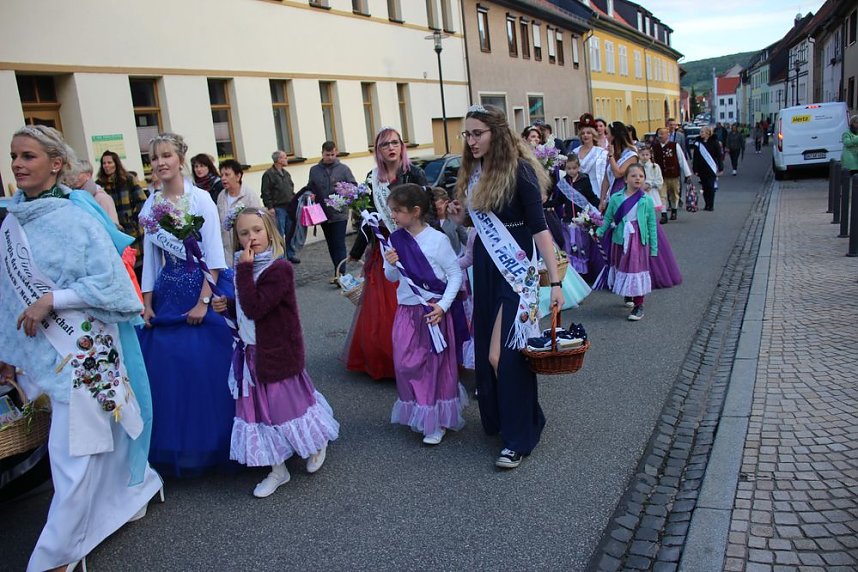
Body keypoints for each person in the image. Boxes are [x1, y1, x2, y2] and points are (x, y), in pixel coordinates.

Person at [1, 125, 162, 572]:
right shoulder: (12, 221)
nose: (17, 164)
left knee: (74, 450)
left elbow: (110, 284)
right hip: (41, 349)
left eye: (28, 156)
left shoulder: (76, 217)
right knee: (103, 432)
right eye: (14, 155)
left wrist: (55, 299)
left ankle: (56, 555)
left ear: (56, 164)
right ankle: (139, 488)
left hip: (83, 346)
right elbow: (9, 294)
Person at [448, 104, 564, 469]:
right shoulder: (474, 173)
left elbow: (540, 227)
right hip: (485, 266)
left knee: (506, 354)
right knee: (488, 351)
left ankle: (520, 438)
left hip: (516, 268)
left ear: (496, 133)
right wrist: (458, 218)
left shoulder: (520, 172)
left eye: (477, 133)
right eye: (467, 134)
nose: (471, 141)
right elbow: (479, 222)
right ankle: (515, 419)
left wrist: (555, 282)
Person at [213, 208, 338, 497]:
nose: (251, 237)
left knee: (288, 408)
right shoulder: (243, 267)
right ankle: (277, 468)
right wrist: (228, 306)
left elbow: (257, 305)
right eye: (244, 233)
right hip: (251, 354)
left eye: (257, 230)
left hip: (277, 353)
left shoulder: (278, 269)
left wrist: (243, 271)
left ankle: (316, 442)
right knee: (260, 415)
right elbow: (248, 310)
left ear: (269, 232)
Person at [137, 133, 236, 477]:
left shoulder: (201, 200)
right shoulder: (149, 206)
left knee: (202, 367)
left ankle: (216, 442)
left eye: (167, 155)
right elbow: (151, 260)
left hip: (200, 288)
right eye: (154, 158)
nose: (161, 163)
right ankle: (176, 446)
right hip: (168, 291)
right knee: (168, 371)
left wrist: (203, 302)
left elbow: (214, 255)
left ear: (181, 159)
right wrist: (146, 302)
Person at [382, 184, 466, 445]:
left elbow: (455, 275)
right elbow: (391, 277)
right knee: (405, 363)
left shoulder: (437, 240)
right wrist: (392, 263)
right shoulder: (395, 240)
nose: (393, 216)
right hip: (406, 311)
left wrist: (443, 306)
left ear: (415, 211)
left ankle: (435, 421)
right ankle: (420, 408)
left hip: (432, 312)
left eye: (397, 211)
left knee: (432, 366)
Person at [345, 127, 428, 381]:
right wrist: (357, 251)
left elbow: (425, 213)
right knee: (382, 309)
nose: (391, 148)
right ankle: (387, 358)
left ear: (402, 146)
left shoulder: (413, 173)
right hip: (385, 250)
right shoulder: (373, 179)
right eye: (385, 144)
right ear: (378, 150)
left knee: (411, 303)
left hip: (412, 244)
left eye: (395, 143)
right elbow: (370, 220)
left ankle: (416, 355)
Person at [596, 163, 657, 321]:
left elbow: (651, 225)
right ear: (625, 179)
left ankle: (639, 304)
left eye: (641, 176)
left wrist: (654, 248)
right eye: (634, 176)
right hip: (620, 238)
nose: (638, 179)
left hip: (638, 239)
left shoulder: (646, 200)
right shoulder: (616, 198)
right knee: (623, 267)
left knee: (636, 269)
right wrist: (599, 232)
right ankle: (629, 295)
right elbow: (608, 218)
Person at [306, 141, 357, 281]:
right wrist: (310, 194)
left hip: (340, 212)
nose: (330, 157)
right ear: (322, 153)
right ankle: (337, 271)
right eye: (327, 155)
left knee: (339, 243)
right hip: (322, 212)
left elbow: (353, 186)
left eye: (332, 154)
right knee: (331, 244)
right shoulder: (314, 170)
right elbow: (310, 186)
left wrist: (343, 191)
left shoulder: (344, 169)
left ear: (336, 152)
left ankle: (341, 274)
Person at [96, 150, 148, 271]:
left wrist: (134, 220)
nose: (106, 165)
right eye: (104, 163)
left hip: (132, 228)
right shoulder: (99, 185)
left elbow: (141, 201)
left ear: (116, 163)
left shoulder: (128, 180)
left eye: (109, 162)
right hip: (113, 229)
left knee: (139, 265)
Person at [216, 159, 263, 266]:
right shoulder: (221, 196)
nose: (223, 178)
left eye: (227, 175)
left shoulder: (249, 196)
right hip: (227, 250)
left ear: (238, 176)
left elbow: (258, 222)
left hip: (245, 249)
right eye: (221, 175)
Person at [260, 150, 300, 263]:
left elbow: (290, 189)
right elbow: (265, 192)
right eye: (284, 157)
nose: (286, 159)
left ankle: (291, 254)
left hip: (289, 206)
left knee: (290, 232)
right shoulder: (269, 174)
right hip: (278, 208)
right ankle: (280, 256)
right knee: (279, 233)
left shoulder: (286, 173)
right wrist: (270, 206)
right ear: (278, 160)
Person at [651, 127, 692, 223]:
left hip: (673, 174)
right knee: (662, 195)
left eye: (662, 134)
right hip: (661, 176)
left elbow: (681, 160)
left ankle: (674, 210)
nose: (660, 136)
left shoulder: (674, 145)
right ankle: (664, 214)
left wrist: (687, 174)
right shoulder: (655, 147)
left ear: (667, 135)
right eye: (659, 134)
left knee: (674, 194)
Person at [66, 158, 119, 224]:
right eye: (72, 174)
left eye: (77, 174)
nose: (73, 177)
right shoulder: (75, 197)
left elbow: (113, 226)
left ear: (88, 175)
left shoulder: (102, 198)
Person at [571, 125, 609, 202]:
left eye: (588, 133)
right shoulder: (575, 152)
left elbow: (605, 173)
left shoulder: (601, 152)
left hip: (596, 187)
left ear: (593, 135)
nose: (585, 135)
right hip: (579, 188)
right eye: (583, 133)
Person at [605, 121, 639, 206]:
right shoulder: (612, 153)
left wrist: (611, 156)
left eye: (607, 133)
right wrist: (602, 198)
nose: (606, 136)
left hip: (626, 195)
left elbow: (618, 173)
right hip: (613, 195)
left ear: (614, 136)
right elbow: (606, 177)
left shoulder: (631, 154)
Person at [693, 126, 723, 212]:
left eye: (702, 132)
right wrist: (695, 169)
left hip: (711, 168)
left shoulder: (714, 142)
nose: (700, 133)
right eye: (700, 132)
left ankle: (711, 204)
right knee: (705, 187)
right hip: (702, 169)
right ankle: (706, 204)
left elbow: (719, 156)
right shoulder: (698, 143)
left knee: (710, 186)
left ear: (708, 133)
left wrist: (721, 168)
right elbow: (696, 157)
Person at [432, 186, 468, 254]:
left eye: (439, 209)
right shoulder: (430, 221)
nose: (437, 211)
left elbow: (465, 239)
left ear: (446, 203)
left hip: (457, 256)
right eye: (435, 209)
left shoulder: (453, 217)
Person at [639, 146, 664, 220]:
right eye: (643, 155)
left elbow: (659, 180)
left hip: (651, 192)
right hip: (640, 192)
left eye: (647, 155)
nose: (645, 157)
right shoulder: (637, 166)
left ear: (650, 155)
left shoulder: (655, 166)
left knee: (651, 212)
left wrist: (650, 184)